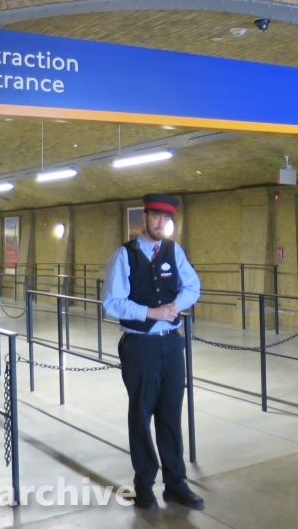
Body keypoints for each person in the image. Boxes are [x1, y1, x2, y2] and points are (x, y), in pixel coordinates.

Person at [102, 194, 203, 512]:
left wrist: (176, 306)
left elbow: (193, 286)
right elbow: (112, 301)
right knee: (141, 414)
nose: (161, 223)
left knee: (171, 415)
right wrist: (152, 312)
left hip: (172, 344)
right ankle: (144, 484)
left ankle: (175, 484)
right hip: (140, 345)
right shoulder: (125, 254)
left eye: (166, 218)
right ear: (144, 218)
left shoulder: (174, 251)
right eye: (155, 217)